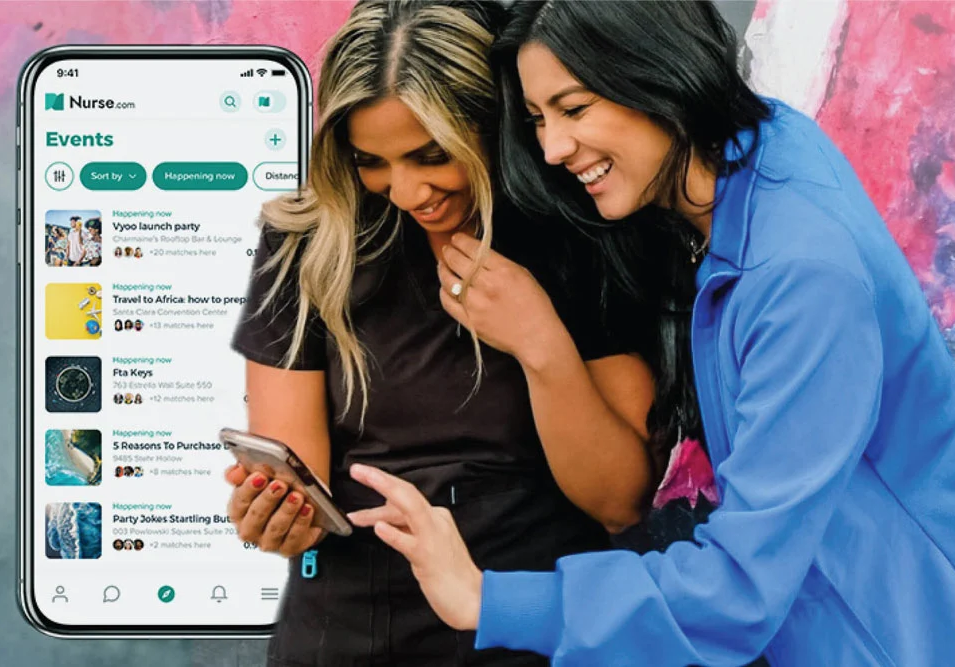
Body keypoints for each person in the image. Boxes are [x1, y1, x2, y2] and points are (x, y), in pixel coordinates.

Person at [347, 2, 955, 666]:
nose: (552, 148)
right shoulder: (762, 152)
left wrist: (487, 598)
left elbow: (738, 591)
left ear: (655, 73)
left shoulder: (800, 278)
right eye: (538, 118)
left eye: (574, 108)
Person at [224, 1, 655, 665]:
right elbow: (297, 480)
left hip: (528, 620)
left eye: (431, 155)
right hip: (351, 631)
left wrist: (539, 342)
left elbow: (620, 502)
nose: (407, 191)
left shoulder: (578, 231)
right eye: (372, 161)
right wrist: (281, 519)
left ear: (492, 120)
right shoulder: (311, 241)